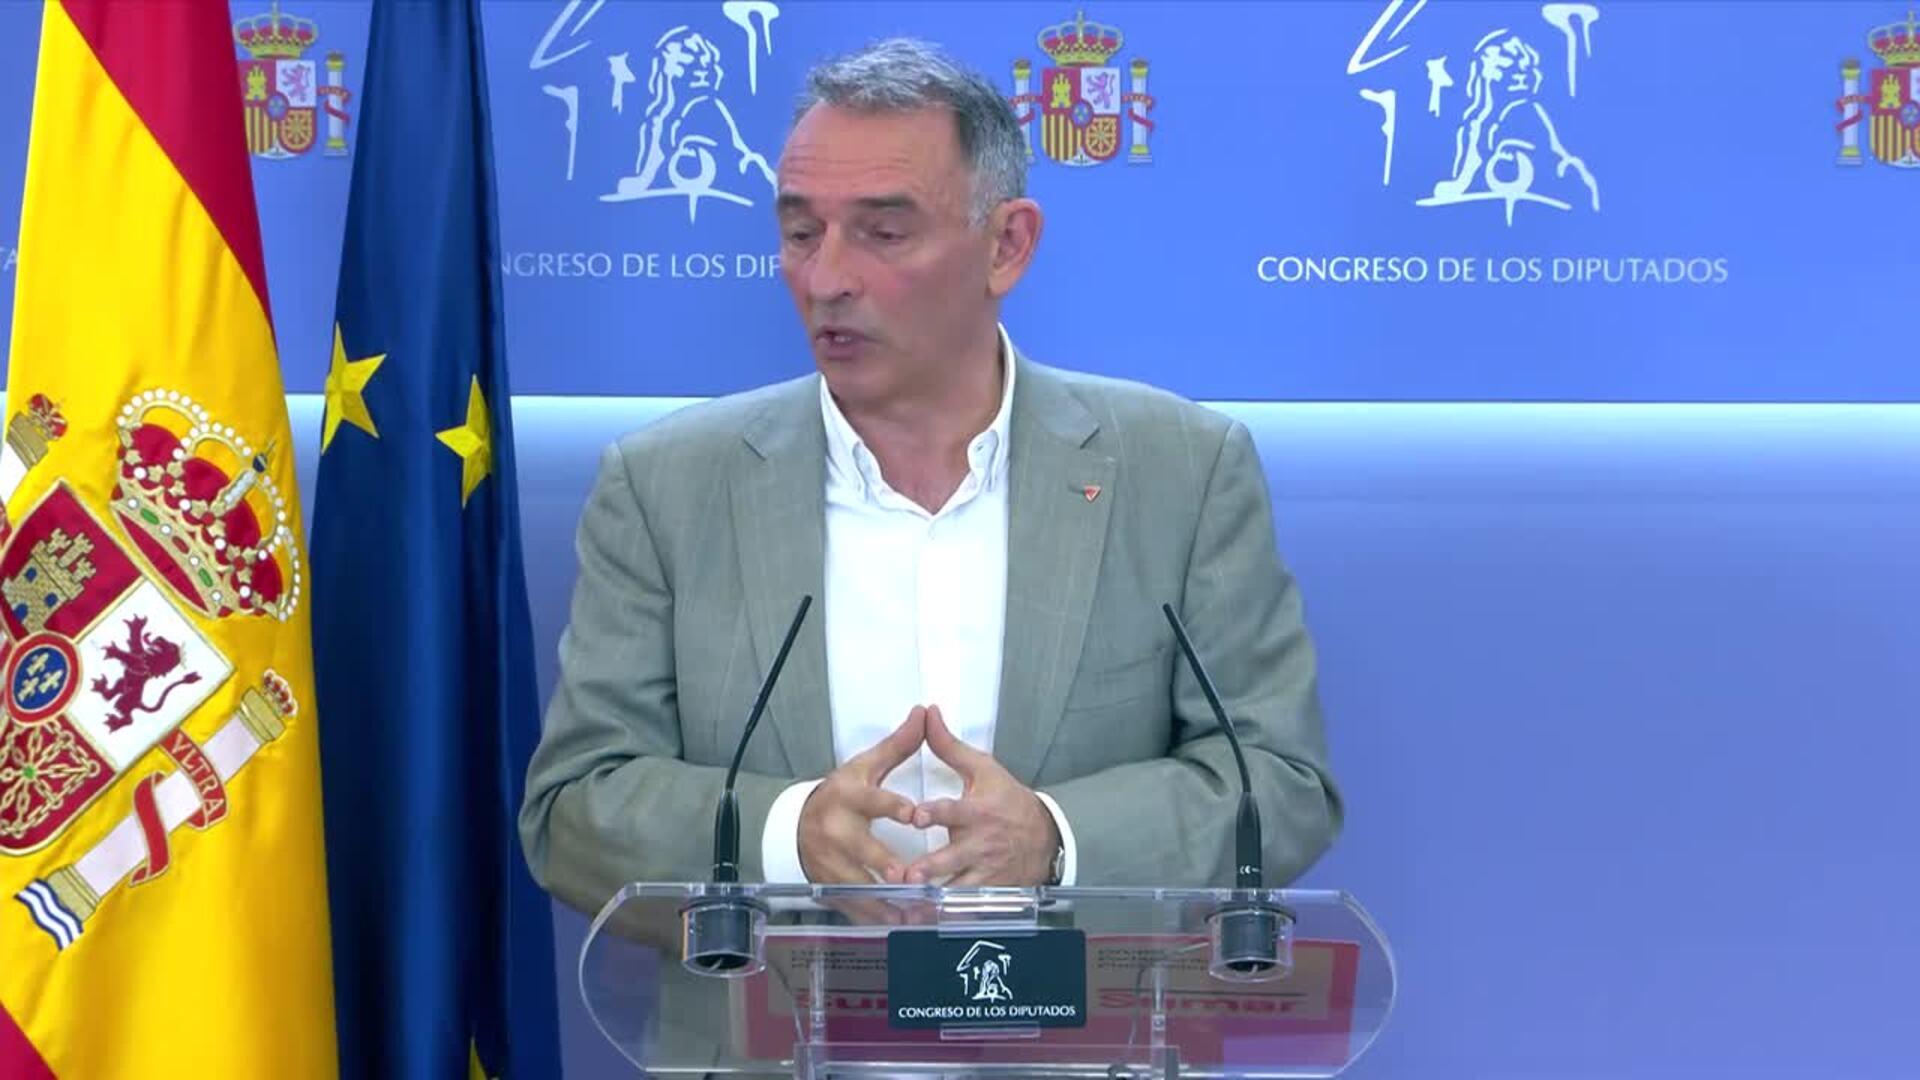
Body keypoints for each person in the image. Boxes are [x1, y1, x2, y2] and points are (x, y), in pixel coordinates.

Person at [518, 38, 1340, 914]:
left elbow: (1281, 783)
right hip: (773, 1002)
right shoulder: (666, 488)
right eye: (801, 233)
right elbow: (574, 809)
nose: (827, 278)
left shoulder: (1179, 472)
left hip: (1078, 1004)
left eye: (884, 233)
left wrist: (1057, 839)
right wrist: (786, 835)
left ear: (1006, 246)